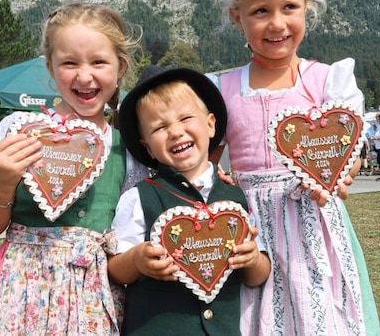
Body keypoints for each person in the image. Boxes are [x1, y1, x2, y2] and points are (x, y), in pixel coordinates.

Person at [210, 0, 380, 335]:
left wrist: (343, 171)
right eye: (260, 11)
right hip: (251, 231)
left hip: (313, 225)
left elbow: (348, 149)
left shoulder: (327, 81)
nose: (277, 23)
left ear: (307, 6)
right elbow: (208, 159)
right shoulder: (222, 89)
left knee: (319, 313)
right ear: (238, 18)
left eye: (289, 7)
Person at [0, 3, 147, 335]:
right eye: (69, 63)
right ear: (50, 67)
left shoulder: (126, 149)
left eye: (99, 62)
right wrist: (1, 181)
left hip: (91, 294)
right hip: (20, 288)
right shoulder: (19, 130)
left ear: (120, 67)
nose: (84, 76)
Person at [110, 66, 271, 335]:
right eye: (160, 127)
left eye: (185, 118)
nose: (175, 132)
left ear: (210, 125)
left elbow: (258, 276)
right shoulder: (139, 197)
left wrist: (253, 259)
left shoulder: (234, 196)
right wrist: (137, 260)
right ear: (147, 146)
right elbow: (115, 270)